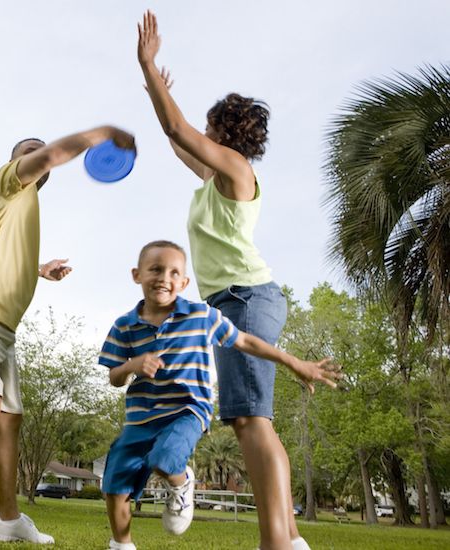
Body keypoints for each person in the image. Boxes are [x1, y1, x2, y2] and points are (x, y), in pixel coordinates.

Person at [136, 10, 332, 550]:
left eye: (210, 125)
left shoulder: (237, 169)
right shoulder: (214, 175)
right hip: (238, 301)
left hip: (245, 299)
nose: (203, 132)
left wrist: (148, 66)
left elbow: (180, 130)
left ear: (225, 131)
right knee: (255, 420)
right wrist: (154, 88)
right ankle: (289, 539)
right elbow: (174, 139)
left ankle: (275, 542)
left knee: (249, 421)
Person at [0, 126, 136, 550]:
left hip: (1, 326)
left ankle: (7, 519)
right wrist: (103, 133)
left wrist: (39, 270)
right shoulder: (8, 181)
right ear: (16, 161)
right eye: (29, 150)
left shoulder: (26, 205)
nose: (38, 154)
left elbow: (3, 256)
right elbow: (49, 155)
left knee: (9, 421)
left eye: (40, 152)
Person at [99, 241, 339, 550]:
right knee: (115, 484)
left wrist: (293, 362)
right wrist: (133, 364)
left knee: (164, 458)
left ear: (184, 282)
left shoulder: (201, 315)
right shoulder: (124, 326)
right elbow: (114, 378)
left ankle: (182, 483)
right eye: (155, 270)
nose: (164, 278)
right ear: (137, 275)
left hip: (187, 411)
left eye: (174, 272)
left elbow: (246, 342)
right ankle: (121, 545)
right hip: (140, 419)